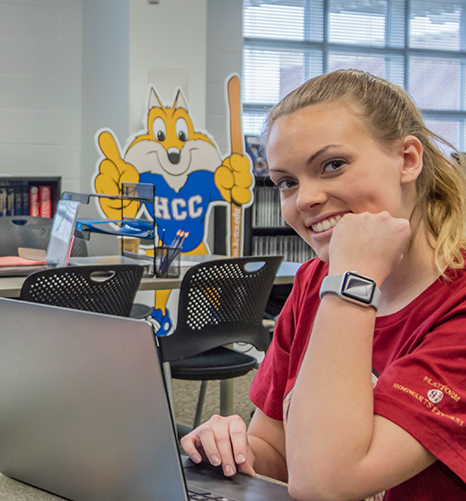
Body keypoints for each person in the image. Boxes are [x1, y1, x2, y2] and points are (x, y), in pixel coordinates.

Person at [181, 69, 466, 500]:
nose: (306, 199)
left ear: (408, 159)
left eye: (332, 165)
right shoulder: (316, 280)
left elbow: (324, 484)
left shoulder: (447, 300)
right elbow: (277, 447)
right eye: (287, 183)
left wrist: (353, 284)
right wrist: (233, 450)